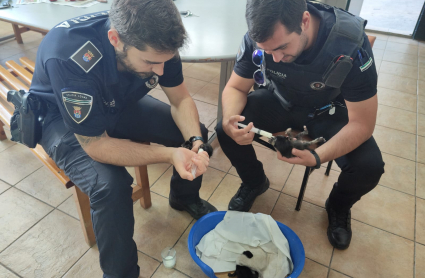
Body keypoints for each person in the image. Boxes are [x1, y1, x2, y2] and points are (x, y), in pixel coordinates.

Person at [29, 0, 217, 276]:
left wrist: (195, 143)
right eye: (151, 62)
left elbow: (181, 99)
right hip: (61, 118)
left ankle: (183, 196)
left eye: (166, 61)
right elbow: (97, 144)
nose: (161, 71)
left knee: (194, 130)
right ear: (115, 39)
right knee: (112, 187)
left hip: (114, 102)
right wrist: (168, 155)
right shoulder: (70, 56)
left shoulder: (158, 42)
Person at [216, 0, 385, 250]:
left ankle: (338, 205)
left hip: (328, 109)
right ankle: (254, 181)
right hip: (280, 99)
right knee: (224, 129)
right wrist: (232, 119)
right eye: (267, 50)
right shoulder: (259, 38)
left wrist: (318, 156)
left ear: (305, 21)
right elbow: (236, 87)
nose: (276, 58)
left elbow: (362, 124)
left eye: (283, 47)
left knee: (369, 167)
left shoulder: (350, 46)